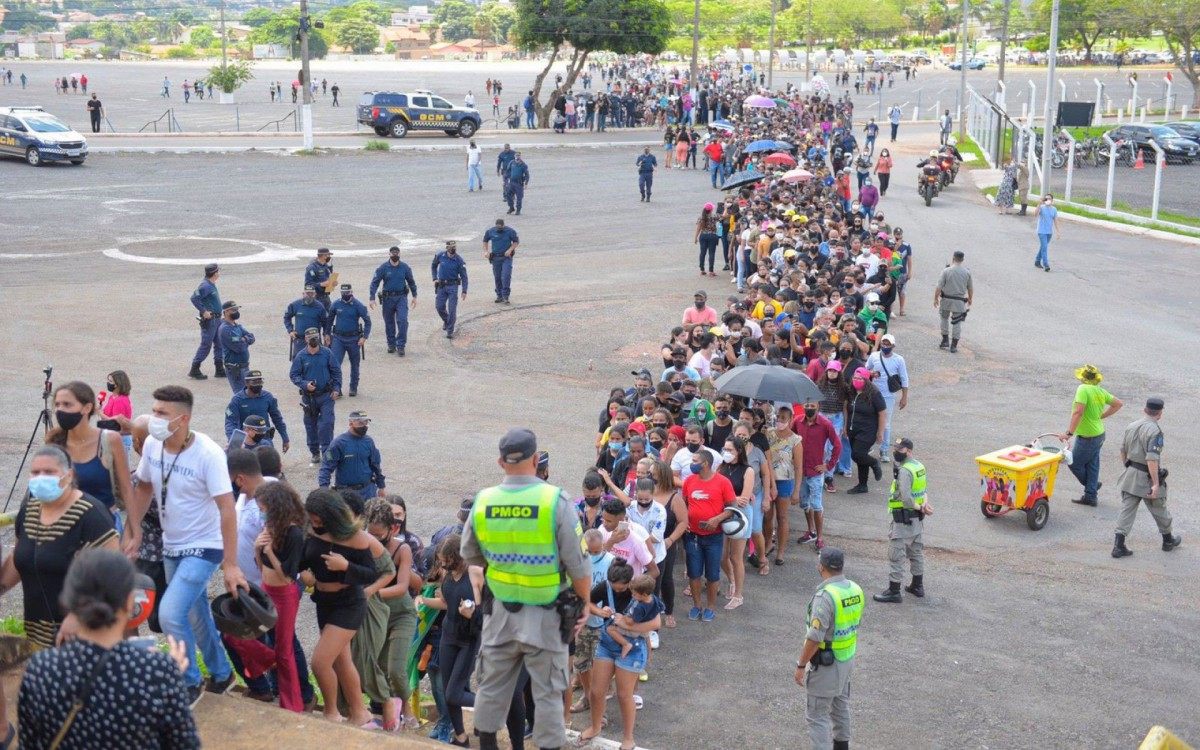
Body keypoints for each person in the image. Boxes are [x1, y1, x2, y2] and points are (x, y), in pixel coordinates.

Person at [460, 428, 591, 750]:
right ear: (536, 460)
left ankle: (488, 744)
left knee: (491, 685)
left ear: (500, 462)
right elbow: (578, 564)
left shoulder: (484, 501)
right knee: (547, 692)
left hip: (500, 613)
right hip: (547, 616)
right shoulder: (554, 501)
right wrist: (585, 602)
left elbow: (470, 554)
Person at [123, 387, 247, 706]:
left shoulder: (208, 454)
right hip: (172, 544)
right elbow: (146, 486)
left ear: (183, 419)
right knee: (195, 612)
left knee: (169, 614)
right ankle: (221, 673)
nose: (154, 418)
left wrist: (230, 564)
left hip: (205, 546)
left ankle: (189, 680)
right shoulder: (152, 445)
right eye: (154, 410)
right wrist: (134, 531)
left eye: (162, 413)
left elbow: (227, 508)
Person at [18, 549, 199, 750]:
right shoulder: (155, 672)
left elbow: (29, 743)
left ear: (70, 601)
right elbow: (184, 744)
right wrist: (170, 674)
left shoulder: (41, 669)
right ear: (130, 603)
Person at [1, 445, 119, 648]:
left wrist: (78, 615)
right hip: (36, 633)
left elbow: (113, 577)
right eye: (36, 472)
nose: (41, 477)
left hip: (82, 635)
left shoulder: (92, 516)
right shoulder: (28, 511)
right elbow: (19, 559)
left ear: (68, 475)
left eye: (49, 472)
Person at [299, 489, 386, 727]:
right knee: (341, 660)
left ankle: (331, 713)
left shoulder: (355, 537)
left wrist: (346, 565)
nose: (315, 525)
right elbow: (304, 558)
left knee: (320, 661)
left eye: (319, 520)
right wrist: (302, 569)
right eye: (312, 520)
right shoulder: (311, 530)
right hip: (323, 602)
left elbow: (371, 573)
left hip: (349, 602)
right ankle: (360, 713)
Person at [416, 535, 483, 747]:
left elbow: (486, 612)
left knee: (454, 693)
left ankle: (491, 704)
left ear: (459, 556)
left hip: (468, 640)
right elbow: (446, 603)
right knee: (447, 691)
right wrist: (422, 600)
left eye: (446, 559)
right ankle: (461, 737)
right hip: (448, 636)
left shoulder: (474, 574)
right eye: (441, 560)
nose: (443, 564)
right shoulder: (447, 574)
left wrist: (471, 613)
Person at [795, 547, 863, 750]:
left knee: (817, 716)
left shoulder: (825, 596)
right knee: (840, 706)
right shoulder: (855, 589)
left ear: (821, 566)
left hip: (826, 665)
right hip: (846, 660)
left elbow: (814, 638)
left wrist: (801, 665)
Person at [363, 499, 421, 730]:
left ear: (393, 528)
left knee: (396, 669)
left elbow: (401, 587)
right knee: (376, 668)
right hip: (378, 616)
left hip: (401, 615)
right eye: (370, 534)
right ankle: (387, 710)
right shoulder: (364, 543)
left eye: (380, 535)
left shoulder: (401, 549)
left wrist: (369, 593)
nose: (374, 540)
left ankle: (406, 706)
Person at [47, 381, 133, 517]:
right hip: (65, 524)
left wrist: (133, 531)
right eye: (57, 405)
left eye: (67, 404)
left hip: (103, 528)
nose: (60, 410)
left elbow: (126, 489)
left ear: (87, 408)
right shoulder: (54, 442)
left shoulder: (110, 440)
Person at [1112, 398, 1181, 558]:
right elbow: (1151, 458)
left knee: (1126, 510)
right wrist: (1156, 483)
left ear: (1145, 409)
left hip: (1130, 476)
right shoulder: (1155, 431)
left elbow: (1122, 450)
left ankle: (1118, 545)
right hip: (1147, 478)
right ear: (1160, 413)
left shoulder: (1132, 426)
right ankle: (1168, 540)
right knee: (1159, 508)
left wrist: (1128, 466)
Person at [873, 438, 932, 603]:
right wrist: (924, 505)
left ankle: (894, 591)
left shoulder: (905, 471)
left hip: (903, 518)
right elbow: (923, 490)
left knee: (896, 554)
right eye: (896, 448)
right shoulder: (919, 466)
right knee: (916, 551)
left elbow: (906, 498)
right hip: (917, 521)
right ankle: (917, 586)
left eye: (900, 449)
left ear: (909, 451)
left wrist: (921, 507)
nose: (896, 452)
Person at [681, 447, 734, 623]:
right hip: (692, 536)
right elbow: (683, 504)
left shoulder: (723, 482)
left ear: (705, 464)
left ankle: (710, 607)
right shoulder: (689, 481)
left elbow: (732, 509)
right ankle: (697, 606)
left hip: (714, 536)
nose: (692, 464)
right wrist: (684, 522)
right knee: (694, 573)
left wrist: (716, 519)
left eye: (695, 461)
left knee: (712, 574)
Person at [1061, 365, 1123, 507]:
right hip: (1099, 434)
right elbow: (1118, 404)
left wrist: (1068, 433)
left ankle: (1092, 486)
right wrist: (1101, 416)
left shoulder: (1083, 389)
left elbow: (1078, 412)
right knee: (1092, 465)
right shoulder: (1100, 391)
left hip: (1088, 436)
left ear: (1083, 378)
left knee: (1073, 463)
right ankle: (1091, 496)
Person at [289, 327, 341, 465]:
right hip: (309, 398)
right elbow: (294, 375)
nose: (314, 341)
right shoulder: (300, 356)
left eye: (316, 338)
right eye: (311, 338)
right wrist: (305, 384)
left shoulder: (327, 353)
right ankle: (314, 452)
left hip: (326, 396)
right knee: (311, 426)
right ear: (305, 339)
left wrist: (336, 388)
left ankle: (326, 452)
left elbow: (336, 371)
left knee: (326, 424)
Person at [319, 411, 386, 500]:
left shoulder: (369, 441)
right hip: (346, 494)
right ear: (351, 423)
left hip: (368, 492)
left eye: (366, 422)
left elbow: (376, 465)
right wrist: (324, 491)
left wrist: (381, 486)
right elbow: (326, 468)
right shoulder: (338, 443)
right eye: (360, 423)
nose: (364, 426)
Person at [865, 333, 909, 461]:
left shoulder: (899, 360)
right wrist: (871, 373)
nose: (885, 345)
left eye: (888, 343)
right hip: (872, 394)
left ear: (893, 345)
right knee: (870, 420)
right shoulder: (874, 357)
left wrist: (904, 397)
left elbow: (904, 378)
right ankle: (868, 446)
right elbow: (864, 371)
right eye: (883, 343)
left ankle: (884, 450)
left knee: (886, 424)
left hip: (888, 396)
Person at [369, 246, 419, 356]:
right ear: (389, 254)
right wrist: (372, 298)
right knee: (389, 323)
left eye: (397, 254)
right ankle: (391, 344)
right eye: (393, 254)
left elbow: (411, 282)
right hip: (387, 299)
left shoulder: (405, 267)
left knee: (402, 321)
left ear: (399, 254)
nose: (395, 256)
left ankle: (401, 345)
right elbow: (375, 283)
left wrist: (415, 296)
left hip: (401, 298)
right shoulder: (383, 268)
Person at [845, 368, 885, 495]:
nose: (856, 381)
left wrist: (880, 432)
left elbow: (882, 413)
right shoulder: (851, 392)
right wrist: (845, 427)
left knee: (857, 454)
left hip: (868, 430)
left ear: (866, 380)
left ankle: (874, 463)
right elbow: (847, 409)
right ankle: (862, 485)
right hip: (853, 429)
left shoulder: (874, 393)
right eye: (855, 378)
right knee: (860, 457)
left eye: (860, 378)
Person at [327, 283, 370, 398]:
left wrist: (364, 337)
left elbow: (368, 322)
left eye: (347, 292)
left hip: (354, 339)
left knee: (355, 365)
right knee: (335, 364)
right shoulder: (336, 304)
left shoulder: (358, 305)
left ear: (352, 292)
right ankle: (337, 389)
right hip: (338, 339)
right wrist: (327, 334)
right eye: (343, 293)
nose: (345, 295)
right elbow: (330, 320)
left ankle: (353, 387)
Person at [187, 263, 223, 380]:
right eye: (218, 271)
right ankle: (195, 368)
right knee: (206, 345)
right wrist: (203, 311)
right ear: (215, 273)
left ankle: (219, 369)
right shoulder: (205, 286)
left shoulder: (210, 284)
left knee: (219, 344)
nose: (219, 273)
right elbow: (194, 298)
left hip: (217, 319)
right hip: (210, 321)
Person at [933, 250, 972, 353]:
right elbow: (970, 288)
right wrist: (970, 298)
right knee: (957, 322)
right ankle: (954, 345)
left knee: (944, 318)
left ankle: (945, 339)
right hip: (959, 301)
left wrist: (935, 298)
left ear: (953, 258)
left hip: (946, 299)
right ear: (962, 260)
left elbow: (939, 286)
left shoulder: (946, 271)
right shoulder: (967, 272)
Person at [432, 240, 469, 339]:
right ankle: (447, 321)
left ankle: (450, 330)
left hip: (453, 287)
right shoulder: (440, 256)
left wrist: (464, 290)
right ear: (447, 248)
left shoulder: (459, 260)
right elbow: (433, 266)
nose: (453, 249)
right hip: (441, 286)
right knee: (439, 307)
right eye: (451, 247)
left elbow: (464, 276)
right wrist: (434, 278)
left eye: (454, 247)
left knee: (452, 309)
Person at [217, 300, 255, 394]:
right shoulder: (225, 329)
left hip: (244, 366)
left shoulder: (236, 326)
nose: (236, 312)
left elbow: (252, 337)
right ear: (226, 312)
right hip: (235, 369)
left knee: (248, 393)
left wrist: (243, 339)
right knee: (240, 394)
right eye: (233, 310)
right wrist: (246, 340)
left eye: (237, 309)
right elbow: (239, 347)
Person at [482, 218, 520, 305]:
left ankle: (505, 296)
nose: (499, 229)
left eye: (501, 228)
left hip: (506, 257)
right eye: (498, 228)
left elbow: (516, 242)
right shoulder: (490, 231)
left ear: (503, 225)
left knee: (506, 276)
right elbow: (485, 241)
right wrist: (486, 251)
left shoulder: (510, 231)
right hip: (496, 258)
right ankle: (499, 295)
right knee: (497, 277)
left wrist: (510, 250)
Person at [100, 370, 134, 454]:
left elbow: (115, 423)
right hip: (111, 437)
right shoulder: (113, 397)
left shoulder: (120, 400)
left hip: (120, 440)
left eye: (110, 381)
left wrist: (98, 412)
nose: (108, 383)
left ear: (118, 384)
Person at [1034, 193, 1060, 272]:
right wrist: (1039, 203)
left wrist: (1058, 232)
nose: (1048, 200)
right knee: (1044, 248)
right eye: (1046, 199)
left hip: (1049, 233)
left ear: (1052, 200)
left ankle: (1037, 261)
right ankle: (1046, 264)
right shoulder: (1041, 207)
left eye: (1049, 199)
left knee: (1043, 247)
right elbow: (1035, 214)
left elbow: (1055, 220)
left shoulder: (1054, 209)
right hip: (1041, 231)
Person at [694, 203, 719, 276]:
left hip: (703, 235)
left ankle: (702, 269)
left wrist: (695, 237)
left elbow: (698, 228)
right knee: (711, 253)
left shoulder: (701, 217)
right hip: (712, 235)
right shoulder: (714, 216)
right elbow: (723, 216)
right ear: (711, 209)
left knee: (702, 253)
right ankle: (711, 270)